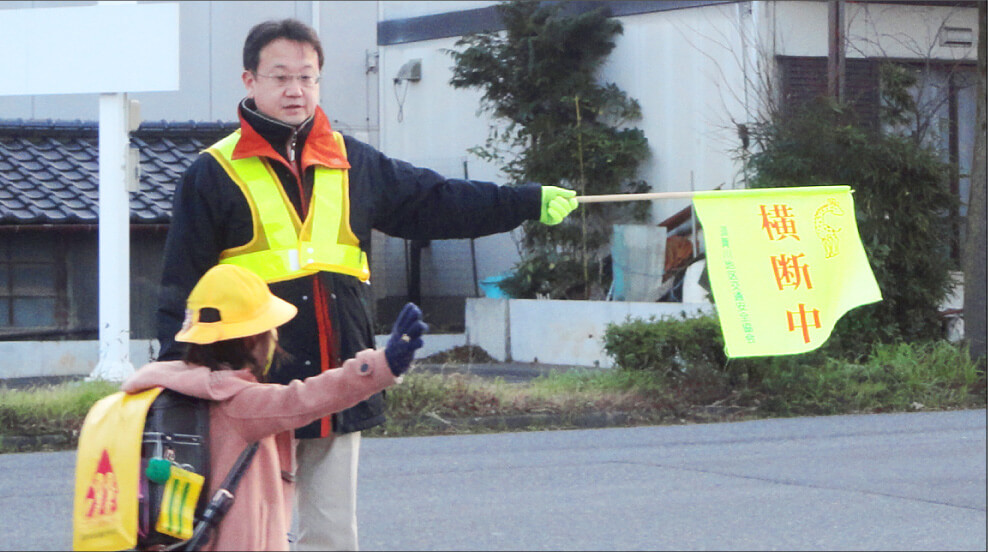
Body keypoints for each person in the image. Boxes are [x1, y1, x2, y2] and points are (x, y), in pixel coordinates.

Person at [154, 18, 578, 551]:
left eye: (308, 77)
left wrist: (524, 201)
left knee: (331, 537)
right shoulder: (210, 173)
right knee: (242, 536)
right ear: (249, 81)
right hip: (248, 392)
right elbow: (180, 286)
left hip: (338, 377)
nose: (295, 89)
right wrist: (176, 377)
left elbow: (436, 201)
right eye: (281, 76)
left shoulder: (354, 162)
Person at [128, 264, 426, 551]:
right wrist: (382, 364)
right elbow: (307, 398)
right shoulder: (240, 404)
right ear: (252, 340)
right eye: (270, 330)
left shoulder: (156, 393)